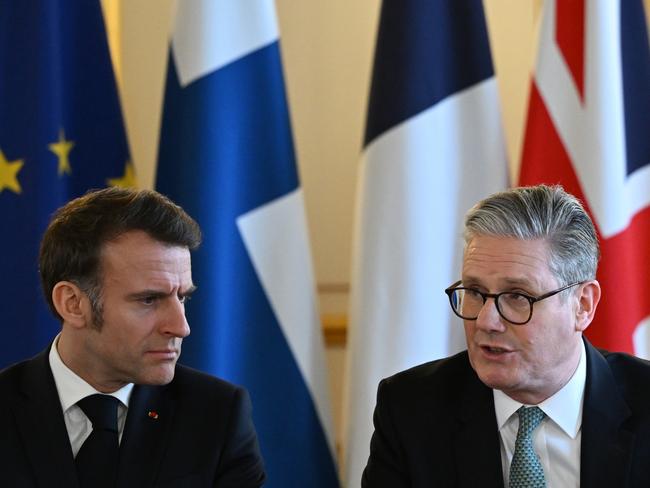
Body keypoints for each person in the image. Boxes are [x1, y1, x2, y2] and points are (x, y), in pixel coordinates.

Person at [362, 184, 650, 487]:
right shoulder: (411, 409)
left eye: (517, 296)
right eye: (474, 292)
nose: (486, 321)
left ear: (583, 305)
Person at [0, 187, 265, 487]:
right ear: (73, 304)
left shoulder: (218, 416)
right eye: (149, 300)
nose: (181, 327)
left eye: (183, 298)